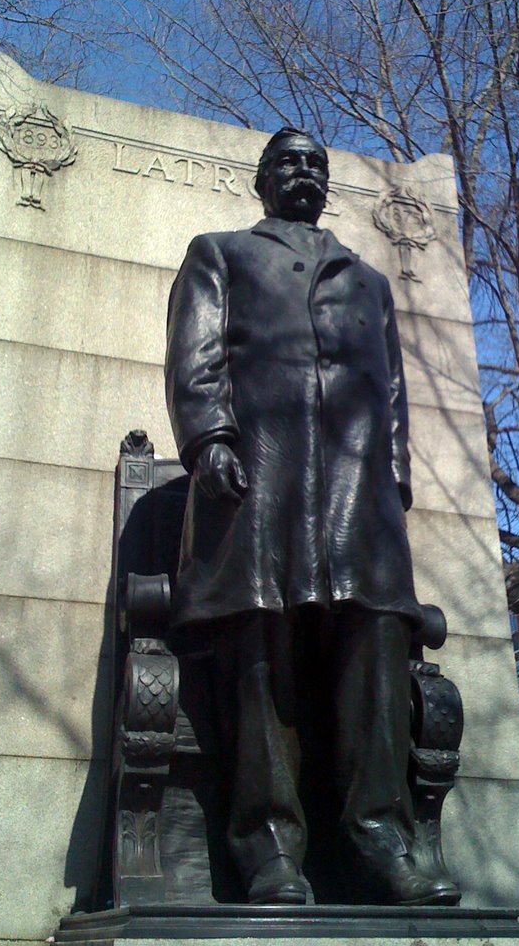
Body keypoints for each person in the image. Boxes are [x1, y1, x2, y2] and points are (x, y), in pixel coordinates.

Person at [165, 128, 438, 905]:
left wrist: (396, 483)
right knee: (264, 646)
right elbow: (197, 353)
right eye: (289, 161)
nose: (305, 172)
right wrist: (210, 436)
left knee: (379, 633)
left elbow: (392, 395)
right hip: (262, 476)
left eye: (317, 164)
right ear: (262, 180)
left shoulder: (369, 282)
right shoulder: (221, 253)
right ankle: (270, 851)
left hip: (360, 490)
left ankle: (381, 837)